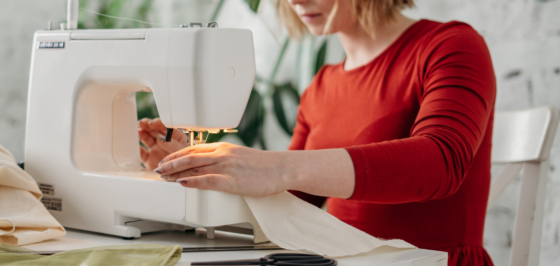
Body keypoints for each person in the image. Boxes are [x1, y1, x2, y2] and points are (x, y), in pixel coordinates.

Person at [137, 0, 496, 265]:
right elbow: (290, 205)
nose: (295, 1)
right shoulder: (321, 87)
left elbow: (442, 161)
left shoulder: (450, 46)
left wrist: (279, 167)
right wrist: (193, 171)